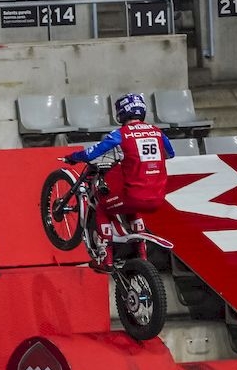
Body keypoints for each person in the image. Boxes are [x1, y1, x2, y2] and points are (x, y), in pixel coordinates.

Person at [64, 93, 173, 271]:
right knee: (130, 207)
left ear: (121, 113)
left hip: (133, 195)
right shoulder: (157, 132)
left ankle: (105, 257)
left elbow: (91, 153)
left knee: (103, 206)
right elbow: (170, 153)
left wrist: (73, 157)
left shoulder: (121, 134)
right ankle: (142, 253)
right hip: (158, 196)